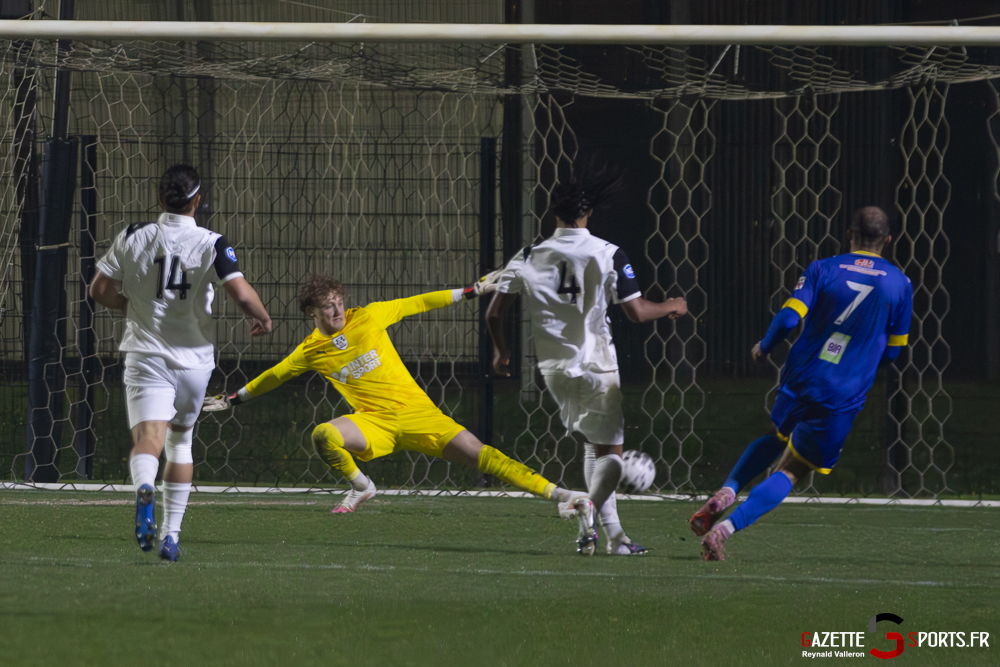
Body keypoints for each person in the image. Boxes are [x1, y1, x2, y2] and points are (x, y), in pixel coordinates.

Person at [203, 274, 594, 548]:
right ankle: (362, 486)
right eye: (328, 306)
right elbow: (272, 376)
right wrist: (232, 399)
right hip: (374, 424)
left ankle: (559, 494)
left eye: (339, 302)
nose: (337, 310)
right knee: (324, 434)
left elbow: (420, 302)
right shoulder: (310, 351)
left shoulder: (369, 316)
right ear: (313, 313)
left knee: (483, 456)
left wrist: (472, 291)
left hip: (418, 415)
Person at [485, 169, 688, 556]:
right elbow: (638, 312)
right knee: (611, 452)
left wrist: (503, 352)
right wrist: (673, 306)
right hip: (596, 365)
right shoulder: (608, 252)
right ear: (588, 212)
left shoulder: (528, 255)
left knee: (593, 445)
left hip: (554, 371)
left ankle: (614, 538)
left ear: (554, 213)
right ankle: (590, 516)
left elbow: (494, 313)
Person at [692, 206, 913, 561]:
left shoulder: (823, 268)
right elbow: (893, 353)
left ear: (848, 234)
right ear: (888, 240)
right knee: (794, 469)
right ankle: (724, 530)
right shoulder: (900, 284)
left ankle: (727, 490)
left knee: (777, 435)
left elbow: (788, 318)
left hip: (801, 375)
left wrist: (765, 346)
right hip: (841, 392)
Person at [90, 164, 272, 562]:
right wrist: (262, 316)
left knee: (148, 440)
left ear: (160, 199)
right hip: (194, 362)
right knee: (181, 440)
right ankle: (171, 535)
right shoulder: (211, 242)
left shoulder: (133, 235)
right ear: (198, 200)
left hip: (145, 355)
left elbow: (99, 289)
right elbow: (241, 294)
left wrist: (128, 305)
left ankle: (144, 487)